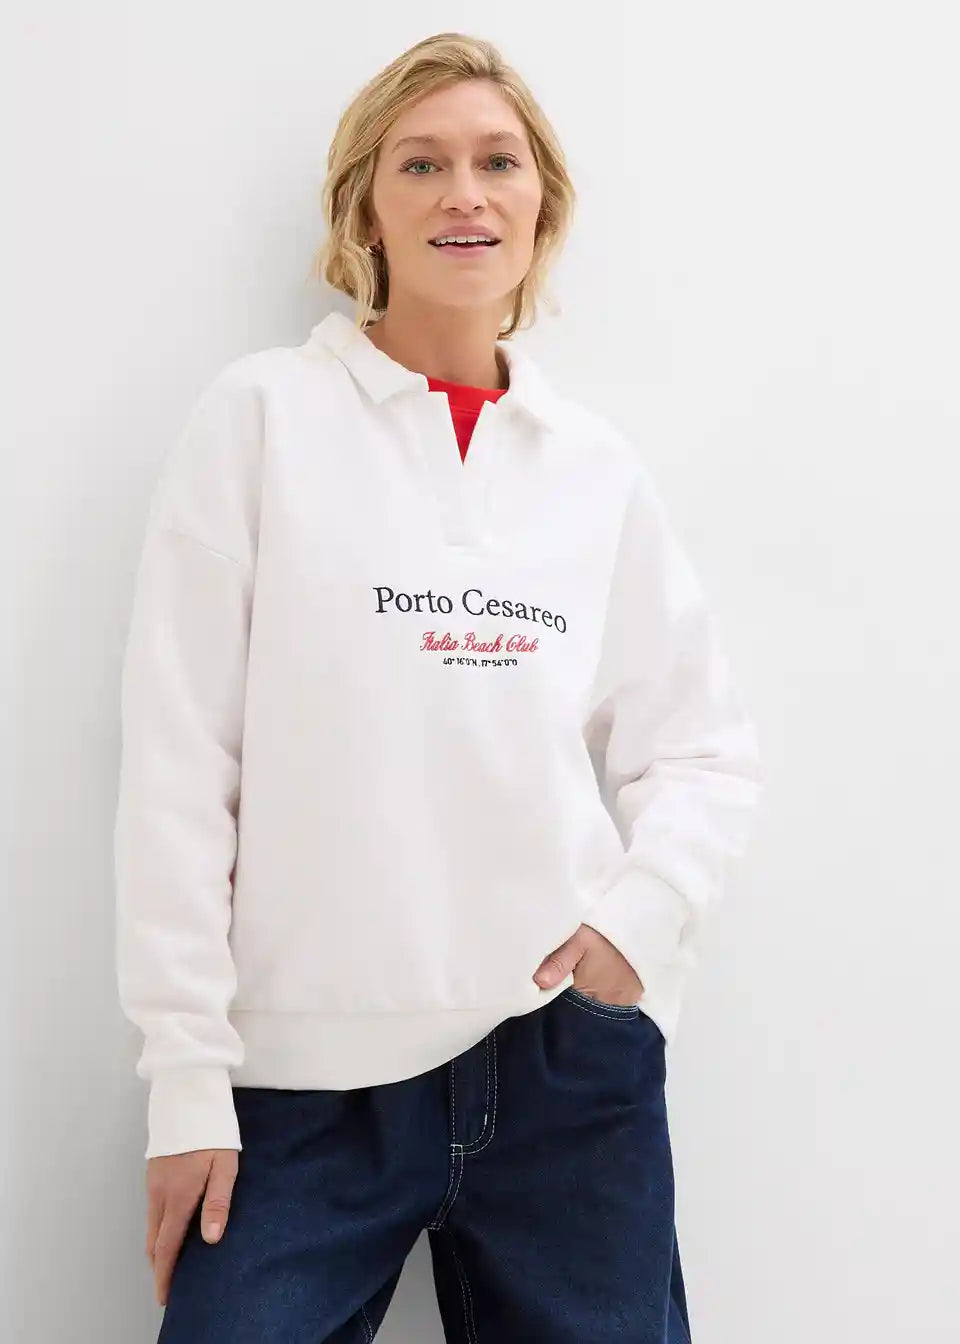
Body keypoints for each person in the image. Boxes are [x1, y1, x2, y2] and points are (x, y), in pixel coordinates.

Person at [113, 30, 762, 1344]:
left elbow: (700, 748)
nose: (465, 193)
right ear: (366, 206)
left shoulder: (593, 469)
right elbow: (179, 768)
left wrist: (634, 934)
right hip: (302, 1084)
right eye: (421, 164)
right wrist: (186, 1080)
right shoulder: (261, 421)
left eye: (497, 162)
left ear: (542, 205)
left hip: (562, 1071)